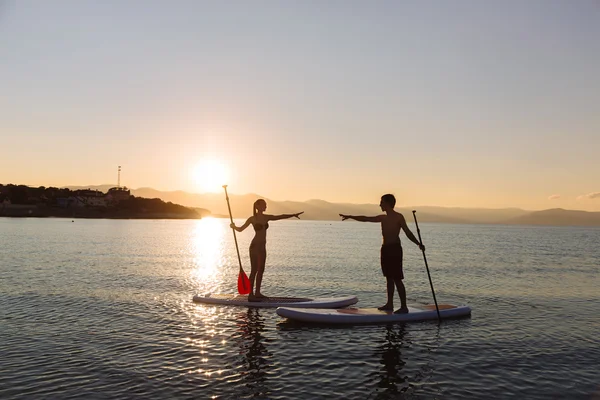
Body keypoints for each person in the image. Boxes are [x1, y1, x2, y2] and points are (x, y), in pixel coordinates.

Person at [339, 194, 424, 314]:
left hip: (395, 249)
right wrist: (350, 216)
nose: (380, 204)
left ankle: (404, 306)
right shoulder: (383, 218)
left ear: (388, 203)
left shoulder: (399, 217)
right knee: (388, 278)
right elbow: (366, 218)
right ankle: (389, 304)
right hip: (385, 249)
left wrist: (418, 243)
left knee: (397, 278)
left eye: (382, 202)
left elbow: (408, 232)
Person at [230, 199, 303, 301]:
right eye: (264, 205)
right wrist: (233, 226)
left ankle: (258, 293)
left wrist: (293, 215)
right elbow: (241, 229)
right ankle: (251, 295)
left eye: (266, 205)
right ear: (258, 206)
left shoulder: (266, 217)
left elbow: (280, 216)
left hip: (262, 247)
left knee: (261, 270)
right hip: (255, 246)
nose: (266, 206)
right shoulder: (252, 219)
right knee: (254, 270)